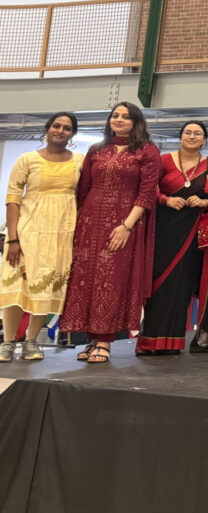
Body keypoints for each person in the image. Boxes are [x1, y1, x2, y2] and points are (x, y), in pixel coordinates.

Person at [59, 103, 160, 364]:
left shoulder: (147, 150)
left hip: (123, 224)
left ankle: (105, 341)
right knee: (87, 278)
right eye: (115, 115)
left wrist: (127, 226)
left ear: (136, 122)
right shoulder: (96, 149)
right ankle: (93, 339)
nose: (119, 119)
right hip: (90, 223)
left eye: (126, 117)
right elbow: (84, 189)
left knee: (111, 279)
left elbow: (147, 193)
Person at [137, 121, 208, 355]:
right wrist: (166, 199)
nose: (192, 136)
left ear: (205, 140)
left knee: (181, 286)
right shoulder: (164, 160)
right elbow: (147, 189)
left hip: (191, 234)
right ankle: (149, 342)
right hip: (163, 230)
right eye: (188, 132)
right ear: (180, 136)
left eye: (198, 133)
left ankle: (172, 343)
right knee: (159, 285)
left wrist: (204, 202)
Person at [1, 113, 83, 362]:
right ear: (47, 130)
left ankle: (31, 341)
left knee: (46, 286)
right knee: (17, 285)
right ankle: (7, 341)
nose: (61, 130)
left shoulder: (79, 161)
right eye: (56, 126)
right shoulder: (27, 160)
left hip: (62, 231)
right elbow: (13, 199)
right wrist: (12, 239)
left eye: (67, 128)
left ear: (72, 134)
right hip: (28, 230)